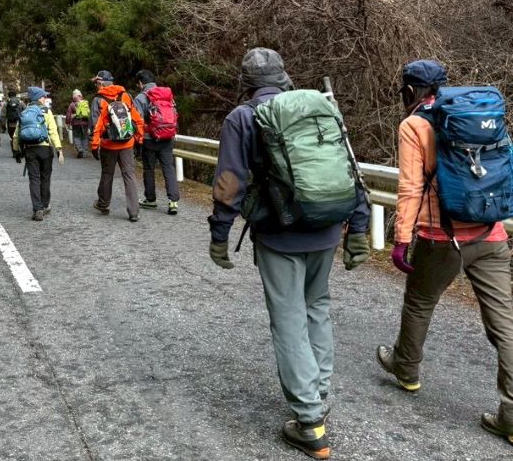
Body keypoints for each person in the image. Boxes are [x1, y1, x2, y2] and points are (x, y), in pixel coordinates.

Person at [208, 48, 370, 460]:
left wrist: (220, 234)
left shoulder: (243, 117)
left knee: (289, 319)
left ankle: (310, 422)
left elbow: (230, 182)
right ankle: (318, 393)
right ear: (284, 76)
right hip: (327, 228)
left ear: (246, 82)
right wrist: (359, 227)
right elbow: (350, 168)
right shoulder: (320, 107)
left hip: (279, 235)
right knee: (317, 308)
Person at [376, 60, 513, 442]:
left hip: (442, 238)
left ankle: (406, 368)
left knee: (420, 302)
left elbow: (411, 188)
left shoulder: (414, 125)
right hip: (492, 233)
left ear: (410, 91)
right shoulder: (478, 116)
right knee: (505, 325)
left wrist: (402, 240)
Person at [90, 70, 144, 222]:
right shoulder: (125, 95)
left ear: (100, 83)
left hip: (108, 145)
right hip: (127, 143)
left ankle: (103, 204)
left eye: (96, 83)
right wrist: (139, 140)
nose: (96, 86)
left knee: (107, 174)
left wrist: (94, 146)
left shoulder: (98, 100)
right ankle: (134, 212)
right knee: (129, 175)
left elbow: (95, 125)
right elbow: (137, 119)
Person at [13, 86, 65, 221]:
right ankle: (45, 205)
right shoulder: (46, 111)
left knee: (34, 179)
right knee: (45, 177)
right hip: (45, 149)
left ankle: (37, 209)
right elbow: (53, 131)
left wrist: (16, 150)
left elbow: (16, 134)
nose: (45, 98)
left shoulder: (25, 111)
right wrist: (59, 149)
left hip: (30, 149)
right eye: (43, 96)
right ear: (39, 98)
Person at [133, 70, 180, 215]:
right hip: (167, 137)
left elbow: (138, 120)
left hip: (150, 139)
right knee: (168, 168)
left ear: (141, 83)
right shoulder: (166, 94)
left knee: (149, 169)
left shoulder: (141, 97)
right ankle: (173, 202)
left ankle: (151, 199)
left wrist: (138, 141)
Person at [66, 89, 90, 158]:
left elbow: (68, 114)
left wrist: (67, 122)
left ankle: (80, 149)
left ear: (73, 97)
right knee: (84, 137)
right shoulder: (85, 103)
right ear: (81, 96)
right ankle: (85, 152)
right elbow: (88, 113)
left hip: (76, 124)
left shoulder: (72, 105)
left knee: (76, 137)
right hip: (85, 123)